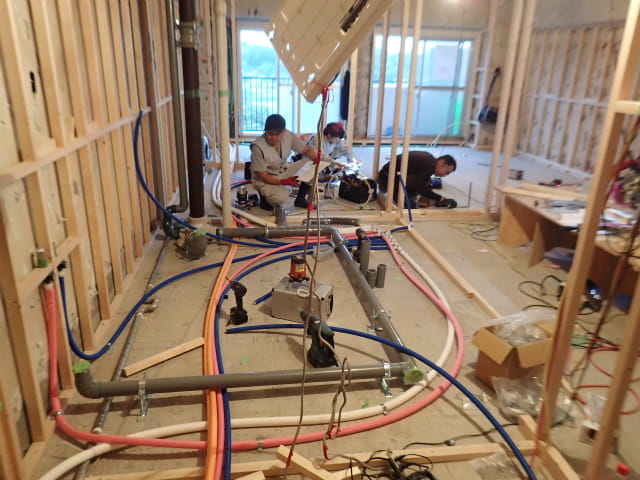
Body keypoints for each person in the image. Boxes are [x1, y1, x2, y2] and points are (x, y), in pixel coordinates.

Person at [250, 114, 331, 211]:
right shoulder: (258, 147)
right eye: (270, 134)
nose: (274, 137)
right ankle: (264, 197)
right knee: (280, 198)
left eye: (277, 134)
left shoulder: (288, 136)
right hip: (265, 179)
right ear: (265, 131)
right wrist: (283, 182)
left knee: (312, 164)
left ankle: (300, 199)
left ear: (283, 132)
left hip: (283, 171)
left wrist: (316, 158)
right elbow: (263, 176)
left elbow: (306, 150)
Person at [293, 122, 354, 207]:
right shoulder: (317, 139)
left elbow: (345, 149)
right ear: (329, 135)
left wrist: (353, 159)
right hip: (309, 161)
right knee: (310, 174)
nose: (338, 140)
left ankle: (310, 193)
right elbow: (320, 156)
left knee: (336, 164)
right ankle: (300, 199)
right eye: (337, 138)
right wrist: (336, 163)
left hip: (324, 160)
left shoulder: (335, 140)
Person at [378, 151, 458, 208]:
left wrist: (437, 200)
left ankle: (423, 201)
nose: (444, 175)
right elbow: (420, 188)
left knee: (427, 181)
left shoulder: (429, 160)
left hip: (386, 176)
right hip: (386, 181)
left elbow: (424, 185)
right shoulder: (429, 165)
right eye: (446, 172)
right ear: (441, 162)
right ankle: (400, 199)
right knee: (419, 184)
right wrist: (442, 199)